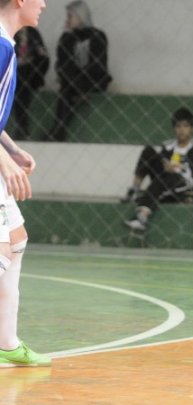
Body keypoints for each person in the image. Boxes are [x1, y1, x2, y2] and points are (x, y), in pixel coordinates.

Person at [0, 0, 51, 367]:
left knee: (15, 238)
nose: (44, 3)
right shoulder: (0, 47)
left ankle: (7, 342)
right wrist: (4, 162)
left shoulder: (8, 44)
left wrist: (11, 149)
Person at [123, 107, 193, 232]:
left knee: (166, 177)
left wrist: (178, 169)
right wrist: (166, 165)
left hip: (182, 182)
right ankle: (135, 189)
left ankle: (141, 216)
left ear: (192, 129)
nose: (181, 130)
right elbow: (161, 164)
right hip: (164, 178)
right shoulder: (168, 146)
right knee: (148, 151)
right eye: (178, 126)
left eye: (185, 126)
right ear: (174, 129)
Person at [46, 0, 111, 141]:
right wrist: (66, 36)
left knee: (67, 87)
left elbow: (98, 64)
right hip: (71, 81)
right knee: (66, 87)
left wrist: (78, 75)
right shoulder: (68, 37)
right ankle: (58, 130)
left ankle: (58, 130)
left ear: (81, 16)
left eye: (70, 16)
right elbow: (62, 62)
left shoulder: (97, 36)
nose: (68, 20)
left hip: (92, 79)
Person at [12, 26, 48, 140]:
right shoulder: (10, 33)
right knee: (20, 85)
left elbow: (42, 56)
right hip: (15, 74)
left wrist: (28, 60)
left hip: (32, 73)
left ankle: (23, 129)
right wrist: (19, 61)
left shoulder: (33, 33)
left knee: (23, 81)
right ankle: (22, 128)